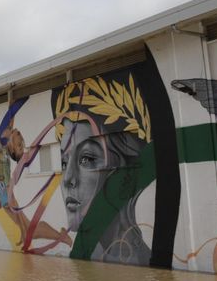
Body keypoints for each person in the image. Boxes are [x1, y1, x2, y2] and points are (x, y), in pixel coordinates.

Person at [52, 75, 151, 264]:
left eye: (87, 159)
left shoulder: (143, 264)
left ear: (126, 175)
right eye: (64, 163)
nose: (67, 179)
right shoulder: (87, 257)